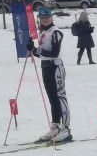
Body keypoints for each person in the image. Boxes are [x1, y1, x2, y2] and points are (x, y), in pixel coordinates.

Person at [28, 7, 71, 142]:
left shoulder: (55, 32)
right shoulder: (43, 32)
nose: (45, 19)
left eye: (47, 17)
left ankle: (66, 128)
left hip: (56, 67)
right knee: (52, 97)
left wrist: (37, 50)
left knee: (60, 96)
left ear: (51, 17)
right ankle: (55, 125)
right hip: (45, 67)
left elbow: (54, 53)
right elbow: (41, 54)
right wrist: (32, 49)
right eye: (42, 17)